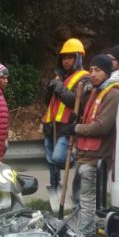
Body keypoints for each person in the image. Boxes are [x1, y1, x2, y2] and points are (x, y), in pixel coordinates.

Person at [71, 54, 119, 237]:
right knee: (80, 195)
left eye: (97, 70)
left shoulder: (113, 94)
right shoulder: (95, 91)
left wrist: (75, 129)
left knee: (87, 199)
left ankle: (85, 236)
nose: (92, 74)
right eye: (91, 70)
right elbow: (87, 117)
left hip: (97, 156)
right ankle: (90, 227)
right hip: (85, 153)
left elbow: (102, 126)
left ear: (107, 72)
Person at [42, 38, 90, 192]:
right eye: (64, 57)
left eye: (70, 57)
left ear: (78, 58)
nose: (66, 61)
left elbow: (74, 101)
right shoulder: (60, 77)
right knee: (51, 161)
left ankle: (79, 159)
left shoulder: (85, 78)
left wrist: (59, 87)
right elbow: (47, 102)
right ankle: (55, 188)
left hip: (66, 127)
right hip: (51, 124)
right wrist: (50, 89)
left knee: (58, 158)